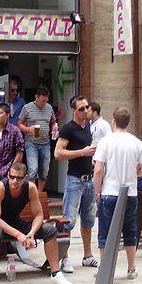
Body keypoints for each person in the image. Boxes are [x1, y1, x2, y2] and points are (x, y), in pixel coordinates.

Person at [0, 161, 73, 284]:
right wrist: (19, 235)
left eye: (19, 178)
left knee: (49, 229)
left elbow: (39, 215)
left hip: (14, 221)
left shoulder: (30, 188)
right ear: (8, 175)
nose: (15, 181)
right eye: (12, 177)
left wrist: (31, 233)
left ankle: (55, 273)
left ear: (25, 178)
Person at [93, 107, 142, 279]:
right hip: (130, 192)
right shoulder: (136, 142)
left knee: (105, 230)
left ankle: (104, 266)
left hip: (110, 190)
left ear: (113, 120)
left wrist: (98, 190)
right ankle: (131, 268)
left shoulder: (105, 141)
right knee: (130, 229)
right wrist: (134, 174)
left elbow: (98, 169)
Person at [54, 95, 100, 270]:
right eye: (81, 108)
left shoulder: (87, 126)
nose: (85, 110)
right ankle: (64, 258)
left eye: (87, 107)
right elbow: (58, 153)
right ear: (74, 110)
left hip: (89, 179)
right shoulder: (68, 129)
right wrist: (81, 152)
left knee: (88, 220)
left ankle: (87, 256)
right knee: (69, 221)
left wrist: (92, 160)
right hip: (74, 179)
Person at [18, 85, 56, 192]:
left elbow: (53, 122)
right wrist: (28, 129)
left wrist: (54, 128)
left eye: (46, 101)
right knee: (33, 169)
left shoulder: (49, 108)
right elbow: (19, 123)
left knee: (44, 171)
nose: (44, 103)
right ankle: (31, 193)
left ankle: (39, 194)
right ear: (36, 97)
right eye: (42, 101)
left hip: (45, 142)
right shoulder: (27, 108)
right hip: (31, 142)